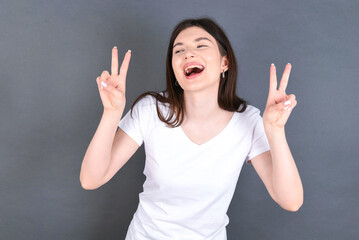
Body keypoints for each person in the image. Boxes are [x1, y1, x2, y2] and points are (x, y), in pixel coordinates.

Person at [80, 17, 303, 240]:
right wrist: (111, 113)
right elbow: (91, 179)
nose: (188, 54)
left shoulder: (249, 121)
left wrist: (275, 131)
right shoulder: (150, 110)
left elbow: (291, 201)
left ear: (225, 63)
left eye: (201, 45)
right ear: (174, 69)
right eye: (179, 51)